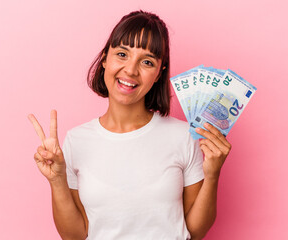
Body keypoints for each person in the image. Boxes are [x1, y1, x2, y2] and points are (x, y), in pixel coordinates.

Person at [28, 10, 231, 240]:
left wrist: (213, 175)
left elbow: (195, 231)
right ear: (105, 58)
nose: (131, 70)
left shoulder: (182, 135)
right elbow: (74, 236)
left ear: (158, 73)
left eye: (146, 62)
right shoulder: (76, 140)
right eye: (122, 54)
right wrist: (57, 180)